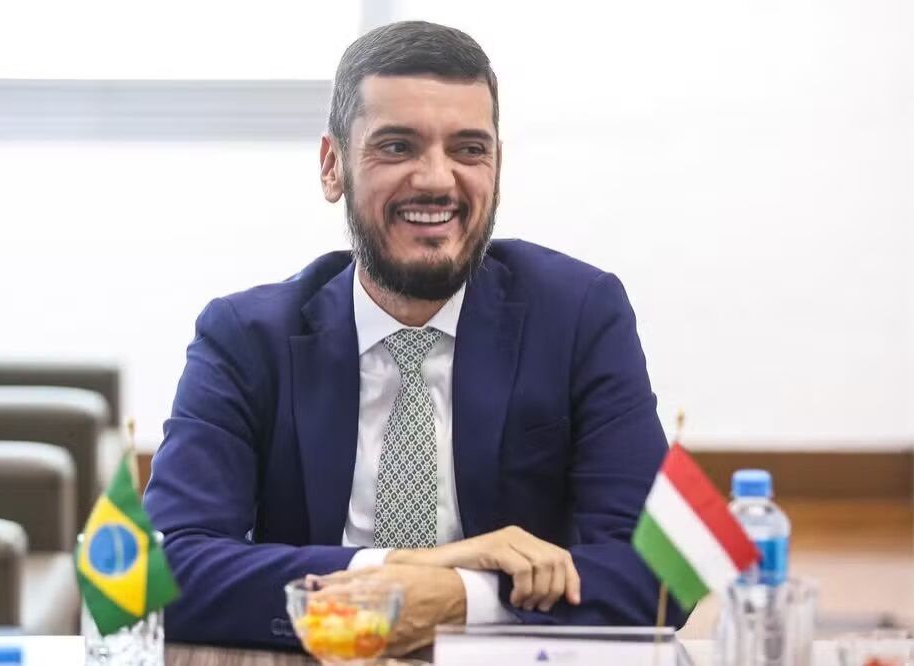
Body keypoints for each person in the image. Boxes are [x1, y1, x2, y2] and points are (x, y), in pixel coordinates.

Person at [144, 20, 688, 654]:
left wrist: (460, 597)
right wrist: (395, 578)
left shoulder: (579, 316)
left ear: (497, 168)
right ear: (333, 167)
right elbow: (162, 572)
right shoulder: (245, 338)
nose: (436, 179)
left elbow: (663, 572)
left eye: (469, 149)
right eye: (398, 146)